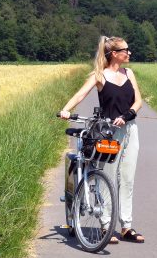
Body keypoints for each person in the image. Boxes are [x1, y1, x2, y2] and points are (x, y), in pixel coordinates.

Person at [59, 35, 145, 244]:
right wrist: (65, 110)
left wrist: (126, 116)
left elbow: (138, 101)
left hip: (130, 129)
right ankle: (106, 225)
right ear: (114, 54)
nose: (129, 53)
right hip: (107, 133)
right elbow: (80, 94)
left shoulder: (129, 73)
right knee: (106, 177)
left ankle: (126, 227)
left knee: (127, 179)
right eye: (126, 50)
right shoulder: (100, 76)